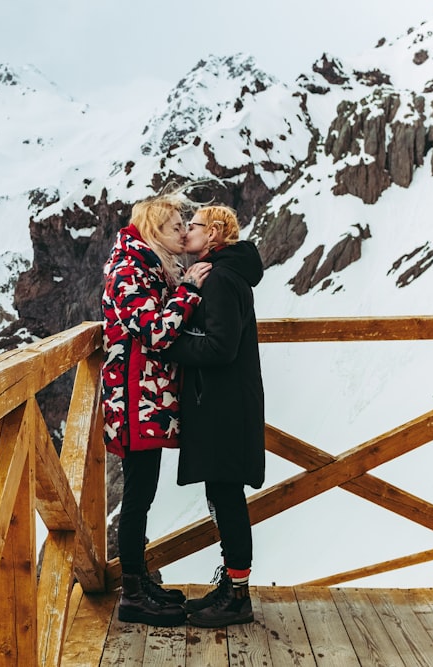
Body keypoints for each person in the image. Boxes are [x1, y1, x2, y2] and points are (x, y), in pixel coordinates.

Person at [101, 187, 211, 626]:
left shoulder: (142, 264)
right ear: (153, 231)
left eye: (186, 225)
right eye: (175, 227)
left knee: (142, 493)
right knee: (138, 495)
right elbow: (156, 333)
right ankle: (132, 594)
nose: (183, 233)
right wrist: (187, 292)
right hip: (133, 399)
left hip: (143, 397)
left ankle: (139, 581)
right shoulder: (130, 269)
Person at [162, 204, 265, 628]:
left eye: (195, 226)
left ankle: (237, 597)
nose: (186, 232)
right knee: (223, 494)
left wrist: (173, 344)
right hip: (225, 402)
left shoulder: (220, 278)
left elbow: (221, 347)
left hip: (223, 405)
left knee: (226, 496)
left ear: (216, 232)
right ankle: (232, 587)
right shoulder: (223, 272)